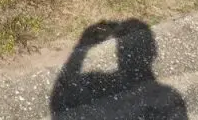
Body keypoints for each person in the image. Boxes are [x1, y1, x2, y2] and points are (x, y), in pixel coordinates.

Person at [50, 19, 187, 119]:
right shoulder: (169, 97)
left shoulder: (169, 97)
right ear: (153, 53)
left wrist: (81, 49)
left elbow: (58, 100)